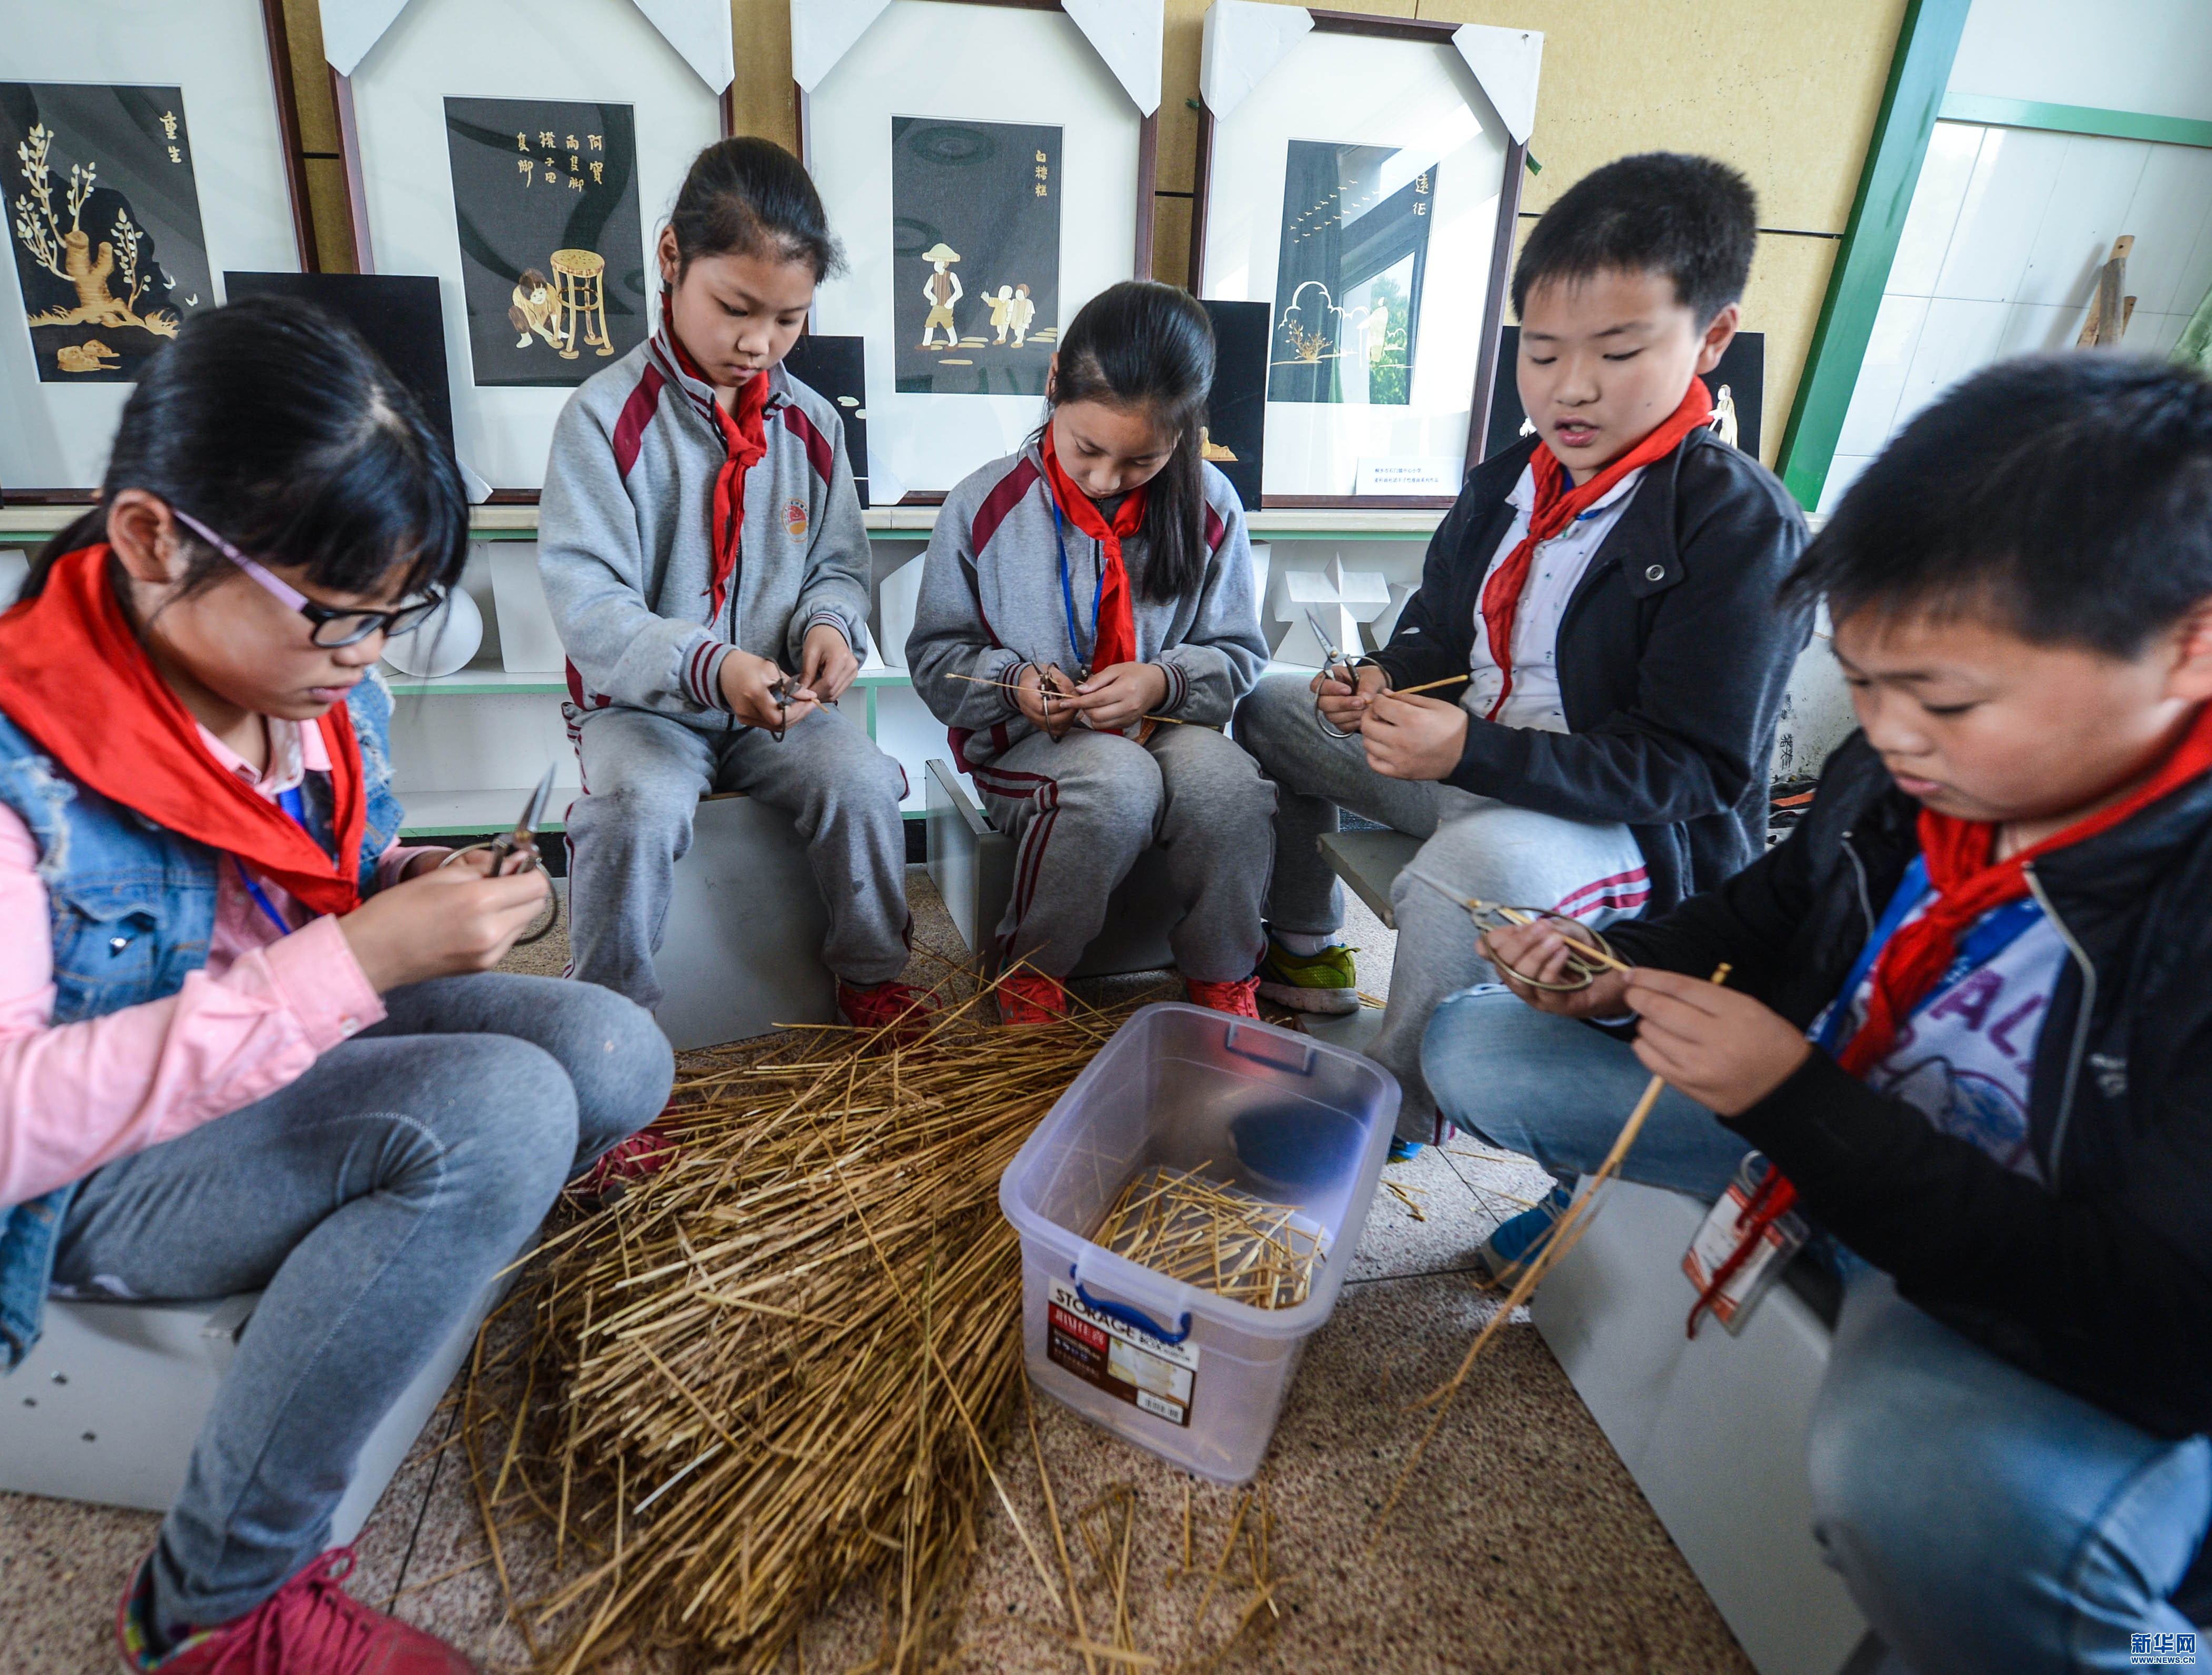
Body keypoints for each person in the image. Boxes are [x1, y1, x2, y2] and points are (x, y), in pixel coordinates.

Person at [0, 296, 675, 1675]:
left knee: (611, 1050)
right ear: (151, 537)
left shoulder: (305, 675)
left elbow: (293, 880)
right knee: (497, 1110)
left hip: (253, 1030)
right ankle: (214, 1605)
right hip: (66, 1169)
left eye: (391, 619)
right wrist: (354, 962)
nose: (362, 661)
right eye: (336, 618)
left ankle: (435, 1253)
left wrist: (406, 889)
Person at [1426, 354, 2212, 1672]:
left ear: (2188, 641)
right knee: (1478, 1042)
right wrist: (1617, 961)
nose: (1893, 736)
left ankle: (2149, 1643)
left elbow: (2159, 1314)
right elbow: (1778, 905)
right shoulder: (1917, 772)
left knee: (1923, 1495)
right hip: (1830, 1133)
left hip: (2030, 1277)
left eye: (1948, 701)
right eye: (1864, 683)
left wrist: (1797, 1101)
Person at [1233, 151, 1808, 1148]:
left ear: (1713, 335)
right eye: (1540, 354)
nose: (1570, 389)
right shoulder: (1512, 474)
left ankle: (1395, 1106)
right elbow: (1435, 631)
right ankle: (1304, 945)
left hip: (1615, 829)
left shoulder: (1737, 524)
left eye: (1619, 353)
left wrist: (1470, 753)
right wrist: (1382, 679)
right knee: (1268, 706)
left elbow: (1694, 770)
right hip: (1468, 762)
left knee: (1475, 865)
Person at [538, 137, 925, 1038]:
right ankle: (611, 1031)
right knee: (634, 808)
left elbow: (836, 563)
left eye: (789, 319)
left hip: (776, 702)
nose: (759, 344)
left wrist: (832, 621)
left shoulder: (815, 424)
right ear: (671, 259)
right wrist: (710, 669)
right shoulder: (603, 419)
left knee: (863, 780)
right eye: (736, 308)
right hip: (640, 708)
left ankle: (870, 977)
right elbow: (588, 605)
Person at [909, 280, 1273, 1023]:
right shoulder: (983, 506)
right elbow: (935, 657)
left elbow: (1237, 654)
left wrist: (1161, 681)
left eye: (1140, 462)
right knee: (1114, 782)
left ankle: (1223, 977)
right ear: (1052, 383)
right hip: (1027, 745)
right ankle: (1030, 976)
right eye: (1086, 449)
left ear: (1184, 430)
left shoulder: (1212, 506)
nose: (1105, 479)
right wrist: (1011, 684)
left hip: (1165, 728)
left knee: (1230, 789)